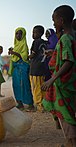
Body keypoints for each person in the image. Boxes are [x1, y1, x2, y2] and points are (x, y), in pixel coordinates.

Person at [41, 5, 76, 147]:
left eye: (54, 20)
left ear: (61, 20)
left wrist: (52, 79)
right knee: (69, 112)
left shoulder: (65, 39)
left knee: (66, 114)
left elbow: (68, 61)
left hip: (63, 84)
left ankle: (71, 142)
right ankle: (69, 141)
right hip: (70, 83)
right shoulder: (71, 36)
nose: (53, 23)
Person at [8, 27, 34, 111]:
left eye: (20, 33)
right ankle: (20, 103)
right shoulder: (15, 45)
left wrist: (14, 53)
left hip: (22, 67)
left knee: (25, 85)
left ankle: (30, 104)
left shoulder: (24, 45)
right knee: (16, 86)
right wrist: (12, 52)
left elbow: (25, 57)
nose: (18, 35)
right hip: (16, 69)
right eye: (16, 33)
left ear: (23, 35)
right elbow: (13, 57)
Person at [28, 25, 47, 112]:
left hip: (35, 69)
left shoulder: (36, 42)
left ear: (40, 33)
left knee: (36, 88)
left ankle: (39, 106)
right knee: (42, 87)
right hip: (42, 68)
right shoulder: (44, 42)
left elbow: (33, 54)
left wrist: (27, 57)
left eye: (34, 32)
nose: (33, 34)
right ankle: (45, 104)